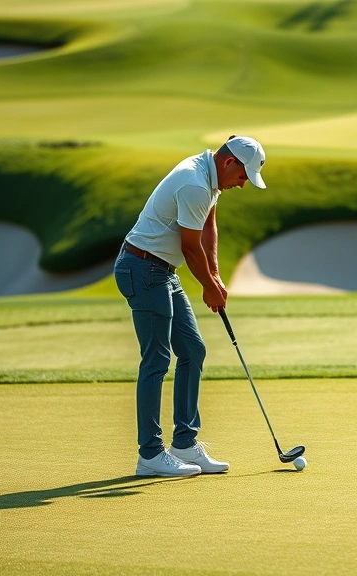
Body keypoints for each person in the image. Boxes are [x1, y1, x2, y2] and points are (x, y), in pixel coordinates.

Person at [113, 135, 267, 477]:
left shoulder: (211, 180)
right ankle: (150, 454)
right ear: (229, 163)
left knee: (193, 350)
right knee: (157, 359)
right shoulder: (195, 182)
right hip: (141, 267)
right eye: (243, 177)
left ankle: (184, 443)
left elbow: (208, 227)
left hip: (162, 270)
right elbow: (189, 246)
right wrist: (208, 286)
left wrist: (214, 275)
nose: (242, 185)